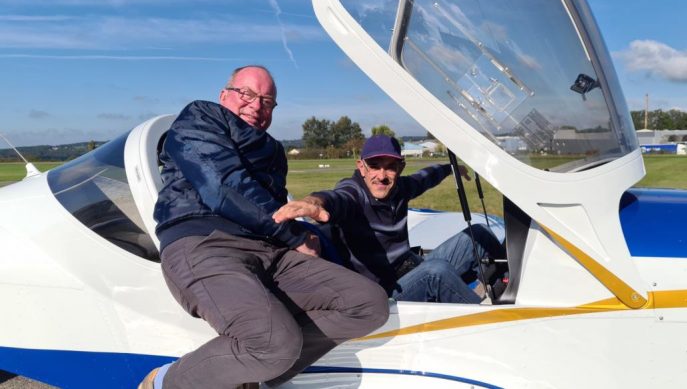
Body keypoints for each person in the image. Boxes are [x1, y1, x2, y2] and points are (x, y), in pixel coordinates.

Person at [139, 66, 389, 389]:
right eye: (247, 94)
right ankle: (163, 382)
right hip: (203, 242)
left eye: (267, 101)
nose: (256, 106)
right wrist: (294, 234)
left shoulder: (275, 152)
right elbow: (223, 187)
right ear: (224, 95)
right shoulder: (200, 117)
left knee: (368, 302)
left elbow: (273, 209)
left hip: (268, 250)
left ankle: (257, 368)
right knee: (274, 343)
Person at [273, 135, 505, 304]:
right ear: (361, 167)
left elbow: (425, 177)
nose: (382, 176)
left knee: (479, 234)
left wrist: (450, 168)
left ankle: (508, 286)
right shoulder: (354, 193)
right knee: (437, 272)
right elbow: (336, 198)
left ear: (400, 168)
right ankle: (491, 328)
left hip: (408, 269)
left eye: (390, 167)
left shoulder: (400, 189)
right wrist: (313, 202)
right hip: (383, 293)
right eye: (374, 166)